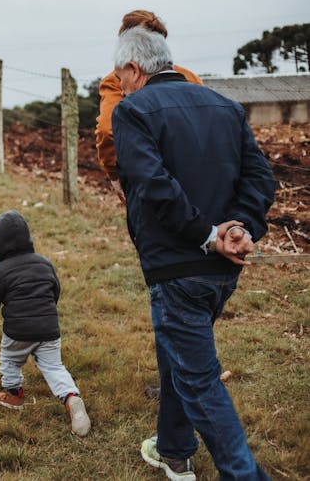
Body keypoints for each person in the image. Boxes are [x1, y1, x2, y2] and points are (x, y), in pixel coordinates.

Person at [111, 27, 274, 479]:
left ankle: (244, 474)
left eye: (119, 73)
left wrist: (209, 233)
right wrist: (240, 227)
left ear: (134, 68)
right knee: (179, 355)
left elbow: (153, 185)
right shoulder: (225, 106)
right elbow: (260, 178)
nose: (119, 82)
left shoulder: (132, 111)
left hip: (178, 263)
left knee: (199, 379)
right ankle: (175, 448)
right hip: (222, 267)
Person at [0, 211, 91, 437]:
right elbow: (55, 290)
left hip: (18, 331)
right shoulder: (45, 263)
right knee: (54, 367)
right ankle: (71, 398)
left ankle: (14, 396)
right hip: (49, 328)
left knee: (10, 360)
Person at [95, 10, 203, 203]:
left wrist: (114, 175)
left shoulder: (115, 80)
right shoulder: (190, 77)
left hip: (147, 174)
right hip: (196, 171)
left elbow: (107, 130)